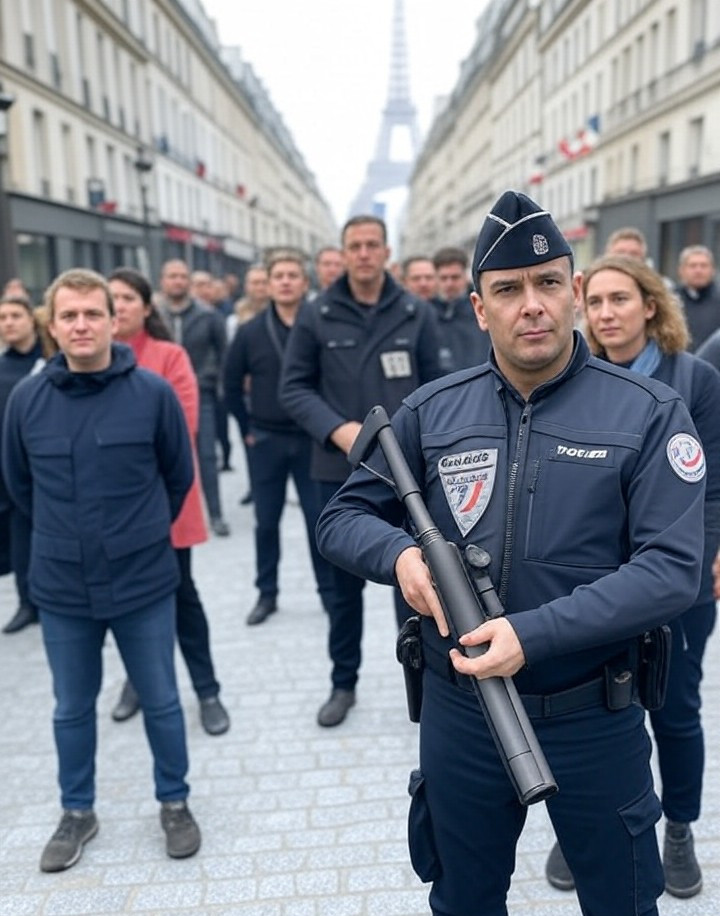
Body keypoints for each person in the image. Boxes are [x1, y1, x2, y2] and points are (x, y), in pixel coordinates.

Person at [315, 191, 705, 916]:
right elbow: (342, 516)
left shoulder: (648, 413)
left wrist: (532, 634)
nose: (532, 304)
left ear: (576, 293)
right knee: (463, 899)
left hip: (596, 711)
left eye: (549, 283)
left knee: (622, 902)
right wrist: (400, 556)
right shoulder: (432, 411)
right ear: (478, 308)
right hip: (461, 714)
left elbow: (671, 571)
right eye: (509, 289)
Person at [2, 268, 201, 871]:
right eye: (69, 316)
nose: (82, 325)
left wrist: (134, 534)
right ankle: (77, 812)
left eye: (93, 313)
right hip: (61, 584)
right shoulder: (26, 401)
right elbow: (20, 487)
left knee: (162, 700)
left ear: (115, 320)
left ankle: (174, 801)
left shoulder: (152, 393)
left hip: (143, 578)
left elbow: (178, 476)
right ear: (52, 324)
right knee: (71, 706)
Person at [539, 253, 720, 899]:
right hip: (590, 580)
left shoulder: (693, 378)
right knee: (589, 707)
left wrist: (712, 552)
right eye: (596, 303)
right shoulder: (568, 380)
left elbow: (714, 480)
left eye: (621, 300)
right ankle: (583, 823)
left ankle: (677, 828)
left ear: (650, 306)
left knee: (674, 710)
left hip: (677, 577)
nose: (606, 314)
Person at [280, 214, 441, 727]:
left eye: (373, 245)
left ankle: (426, 683)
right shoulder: (316, 313)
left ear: (387, 251)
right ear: (344, 253)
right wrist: (337, 430)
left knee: (416, 581)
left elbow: (439, 389)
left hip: (407, 474)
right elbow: (294, 388)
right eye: (356, 246)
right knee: (341, 590)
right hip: (337, 470)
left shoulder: (416, 310)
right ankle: (342, 682)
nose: (365, 253)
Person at [107, 267, 230, 737]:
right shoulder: (90, 359)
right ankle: (138, 682)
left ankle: (207, 689)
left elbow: (181, 431)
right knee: (126, 603)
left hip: (164, 503)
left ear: (145, 307)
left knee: (181, 596)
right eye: (110, 299)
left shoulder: (168, 356)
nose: (117, 307)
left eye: (125, 298)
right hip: (111, 511)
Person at [225, 251, 333, 626]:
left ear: (305, 283)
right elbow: (230, 385)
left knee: (318, 520)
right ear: (268, 285)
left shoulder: (321, 324)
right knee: (265, 522)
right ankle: (266, 593)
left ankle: (328, 592)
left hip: (311, 440)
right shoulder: (249, 331)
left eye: (293, 275)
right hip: (266, 439)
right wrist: (248, 431)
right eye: (279, 276)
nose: (286, 281)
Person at [157, 259, 230, 536]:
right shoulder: (154, 314)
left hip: (202, 393)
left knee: (207, 456)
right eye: (172, 276)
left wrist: (216, 384)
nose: (177, 281)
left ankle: (215, 514)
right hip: (160, 394)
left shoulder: (209, 315)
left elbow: (224, 354)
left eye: (182, 276)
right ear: (163, 280)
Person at [0, 295, 46, 634]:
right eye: (2, 318)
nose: (9, 322)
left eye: (16, 315)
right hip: (10, 464)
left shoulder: (49, 361)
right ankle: (27, 602)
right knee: (19, 535)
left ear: (33, 319)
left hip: (46, 460)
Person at [431, 246, 491, 372]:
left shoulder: (483, 310)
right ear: (436, 278)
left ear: (465, 276)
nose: (449, 284)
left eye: (455, 277)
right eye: (444, 278)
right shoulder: (427, 314)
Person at [675, 245, 720, 351]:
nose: (698, 270)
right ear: (681, 270)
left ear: (713, 270)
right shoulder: (670, 300)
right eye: (692, 266)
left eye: (703, 266)